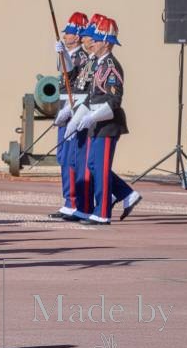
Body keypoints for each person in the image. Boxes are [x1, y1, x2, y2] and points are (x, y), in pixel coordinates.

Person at [65, 17, 139, 224]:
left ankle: (103, 211)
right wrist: (77, 119)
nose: (92, 43)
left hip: (107, 124)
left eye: (96, 40)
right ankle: (103, 206)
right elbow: (90, 98)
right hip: (96, 122)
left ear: (106, 42)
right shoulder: (97, 64)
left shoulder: (111, 66)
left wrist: (91, 117)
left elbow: (113, 100)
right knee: (93, 164)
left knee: (100, 166)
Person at [49, 12, 92, 220]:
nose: (65, 35)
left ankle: (73, 201)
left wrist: (63, 54)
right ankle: (69, 199)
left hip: (74, 110)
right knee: (63, 158)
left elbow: (72, 70)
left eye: (69, 33)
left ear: (77, 36)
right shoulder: (69, 54)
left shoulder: (81, 56)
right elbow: (63, 68)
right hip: (64, 108)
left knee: (70, 159)